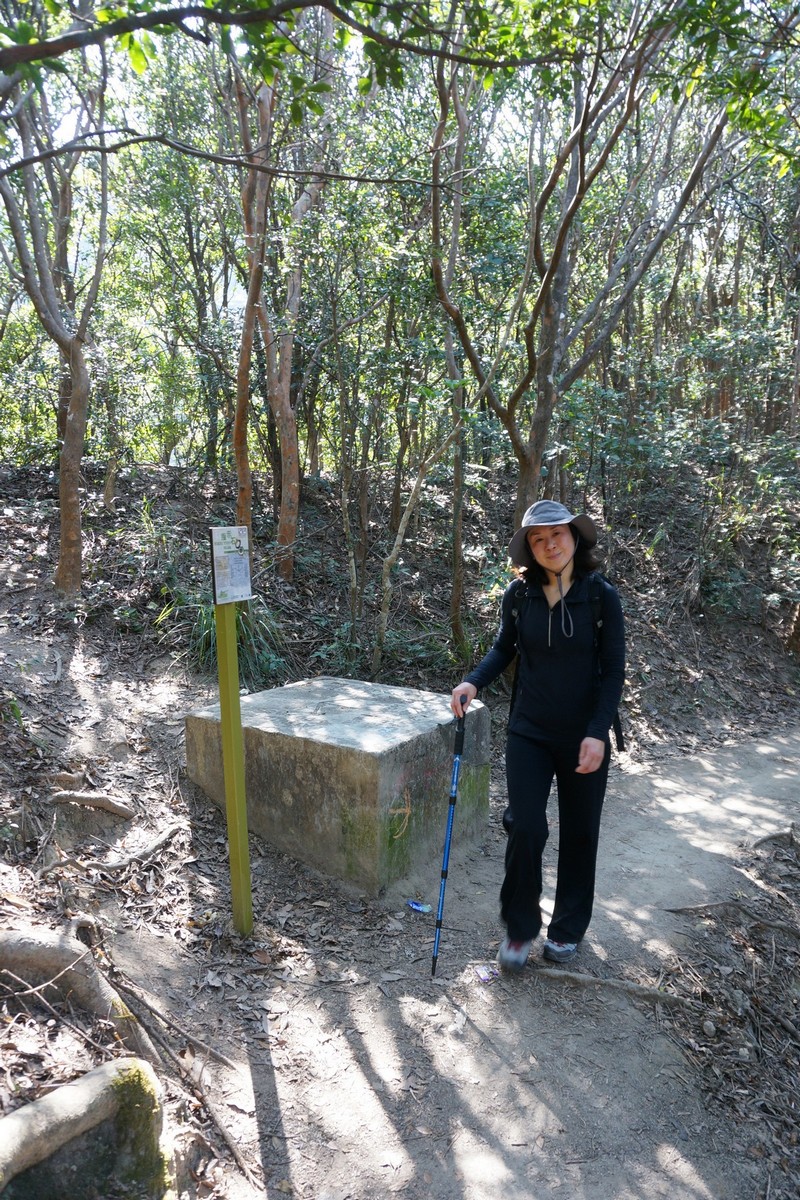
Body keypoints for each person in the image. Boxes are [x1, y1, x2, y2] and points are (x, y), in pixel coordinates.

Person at [450, 499, 625, 971]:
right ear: (529, 547)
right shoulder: (519, 594)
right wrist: (473, 682)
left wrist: (598, 733)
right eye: (538, 539)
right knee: (525, 825)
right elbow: (503, 648)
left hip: (584, 735)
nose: (549, 545)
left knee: (580, 832)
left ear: (574, 537)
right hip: (529, 729)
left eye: (557, 535)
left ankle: (567, 929)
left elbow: (613, 671)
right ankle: (520, 926)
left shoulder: (601, 596)